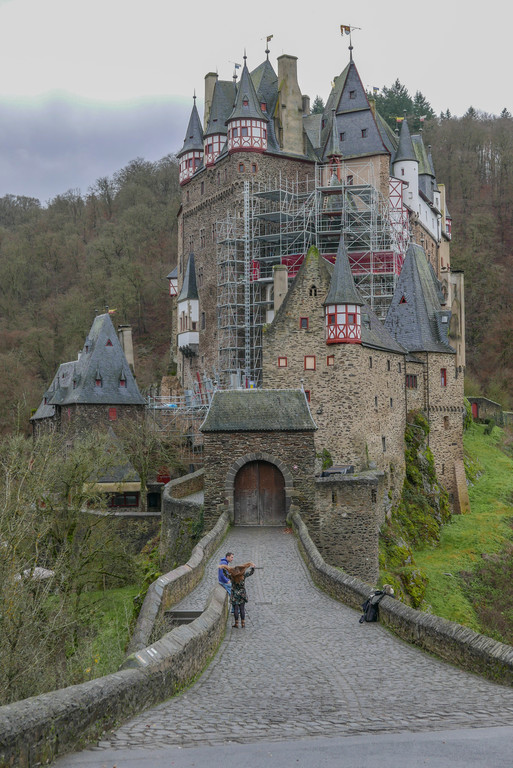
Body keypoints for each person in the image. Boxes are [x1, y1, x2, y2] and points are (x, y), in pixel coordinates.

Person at [218, 561, 255, 628]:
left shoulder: (232, 576)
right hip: (242, 594)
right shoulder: (243, 576)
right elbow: (250, 573)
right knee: (242, 608)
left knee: (235, 608)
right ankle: (243, 623)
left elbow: (225, 574)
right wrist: (252, 568)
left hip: (234, 594)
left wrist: (223, 568)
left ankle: (236, 623)